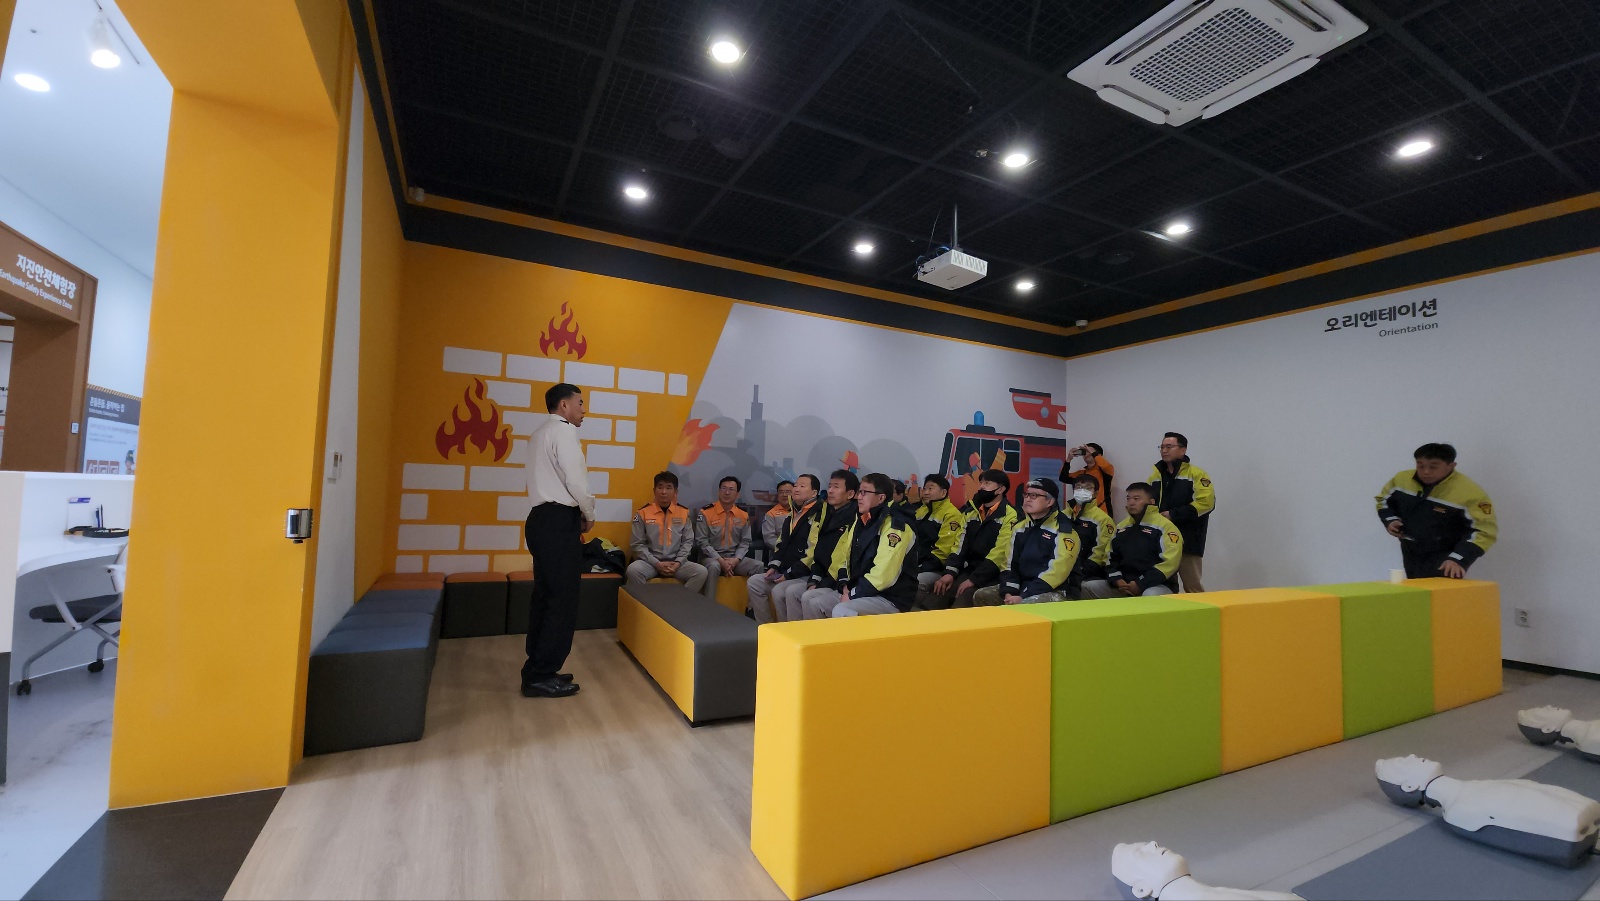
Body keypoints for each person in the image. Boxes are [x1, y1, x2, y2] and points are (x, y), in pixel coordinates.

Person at [519, 383, 595, 699]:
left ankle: (538, 668)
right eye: (580, 403)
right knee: (561, 600)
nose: (584, 410)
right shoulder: (564, 432)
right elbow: (575, 480)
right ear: (564, 406)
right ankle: (540, 674)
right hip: (558, 521)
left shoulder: (539, 433)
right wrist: (588, 512)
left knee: (545, 597)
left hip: (539, 520)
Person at [801, 472, 919, 618]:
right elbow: (845, 556)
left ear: (881, 498)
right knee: (811, 599)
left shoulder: (896, 525)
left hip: (889, 597)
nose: (859, 497)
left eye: (865, 492)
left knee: (843, 610)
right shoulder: (862, 519)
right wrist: (844, 584)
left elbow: (883, 575)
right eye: (859, 492)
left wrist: (853, 594)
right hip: (859, 589)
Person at [1376, 443, 1497, 579]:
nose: (1426, 472)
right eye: (1420, 466)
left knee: (1441, 592)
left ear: (1451, 466)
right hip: (1410, 549)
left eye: (1433, 467)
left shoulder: (1470, 493)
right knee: (1416, 590)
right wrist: (1390, 520)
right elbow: (1383, 500)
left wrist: (1458, 558)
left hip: (1447, 558)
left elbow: (1484, 532)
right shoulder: (1401, 479)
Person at [922, 469, 1018, 609]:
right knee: (939, 593)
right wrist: (950, 572)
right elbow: (959, 545)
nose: (982, 487)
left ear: (1001, 489)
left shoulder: (1010, 515)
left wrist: (974, 580)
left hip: (993, 574)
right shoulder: (971, 511)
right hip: (970, 569)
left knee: (963, 597)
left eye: (987, 483)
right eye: (981, 483)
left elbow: (999, 554)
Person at [974, 478, 1078, 605]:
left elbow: (1057, 572)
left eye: (1034, 496)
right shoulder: (1019, 527)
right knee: (982, 595)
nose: (1028, 499)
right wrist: (1009, 592)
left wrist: (1023, 596)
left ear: (1050, 501)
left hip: (1054, 590)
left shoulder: (1064, 530)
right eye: (1026, 495)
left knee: (1025, 604)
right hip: (1022, 587)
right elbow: (1009, 564)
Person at [1082, 483, 1182, 598]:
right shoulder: (1121, 527)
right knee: (1087, 586)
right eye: (1128, 498)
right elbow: (1110, 558)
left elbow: (1170, 563)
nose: (1131, 502)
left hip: (1156, 585)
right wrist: (1117, 580)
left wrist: (1140, 584)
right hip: (1124, 586)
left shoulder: (1165, 527)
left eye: (1136, 499)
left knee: (1150, 594)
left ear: (1151, 502)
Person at [748, 474, 820, 624]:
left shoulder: (818, 514)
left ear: (814, 493)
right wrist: (774, 566)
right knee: (754, 582)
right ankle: (766, 626)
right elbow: (780, 543)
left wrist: (788, 574)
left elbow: (812, 552)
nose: (796, 489)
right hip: (785, 571)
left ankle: (785, 631)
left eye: (802, 486)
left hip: (804, 573)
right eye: (796, 485)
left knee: (780, 591)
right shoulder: (792, 513)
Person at [792, 470, 861, 620]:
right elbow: (819, 550)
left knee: (809, 598)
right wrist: (814, 579)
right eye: (829, 486)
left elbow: (842, 557)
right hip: (821, 574)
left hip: (839, 580)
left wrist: (822, 582)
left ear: (850, 494)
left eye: (836, 487)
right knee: (791, 592)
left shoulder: (855, 518)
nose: (830, 491)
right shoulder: (826, 513)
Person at [1150, 432, 1214, 592]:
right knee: (1160, 586)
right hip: (1161, 541)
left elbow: (1206, 503)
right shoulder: (1155, 475)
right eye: (1162, 447)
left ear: (1182, 450)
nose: (1164, 450)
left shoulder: (1196, 474)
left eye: (1169, 446)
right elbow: (1147, 502)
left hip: (1188, 539)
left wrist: (1173, 515)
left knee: (1193, 588)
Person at [626, 471, 708, 593]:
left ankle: (680, 601)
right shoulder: (643, 513)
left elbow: (687, 542)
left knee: (701, 572)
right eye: (660, 487)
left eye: (668, 488)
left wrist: (678, 562)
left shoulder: (683, 513)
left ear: (675, 492)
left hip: (676, 563)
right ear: (654, 491)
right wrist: (657, 563)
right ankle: (647, 601)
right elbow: (637, 544)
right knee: (633, 570)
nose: (664, 492)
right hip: (651, 563)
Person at [696, 476, 762, 597]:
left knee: (758, 566)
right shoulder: (706, 512)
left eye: (731, 489)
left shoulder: (742, 515)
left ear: (737, 494)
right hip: (711, 558)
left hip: (733, 558)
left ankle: (751, 605)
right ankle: (709, 604)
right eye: (724, 488)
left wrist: (736, 560)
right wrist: (720, 560)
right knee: (714, 566)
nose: (727, 492)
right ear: (718, 491)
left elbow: (745, 541)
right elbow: (702, 542)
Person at [909, 474, 966, 608]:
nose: (926, 492)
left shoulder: (951, 514)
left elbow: (943, 552)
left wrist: (919, 568)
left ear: (943, 492)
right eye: (925, 488)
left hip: (936, 568)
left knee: (913, 583)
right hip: (914, 564)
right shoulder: (921, 510)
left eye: (931, 488)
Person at [1064, 472, 1116, 599]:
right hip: (1060, 568)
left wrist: (1079, 572)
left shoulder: (1103, 520)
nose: (1082, 491)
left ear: (1096, 493)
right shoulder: (1062, 516)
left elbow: (1100, 553)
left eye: (1088, 488)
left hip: (1087, 572)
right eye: (1078, 487)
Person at [1062, 442, 1114, 515]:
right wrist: (1069, 459)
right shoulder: (1081, 473)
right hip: (1081, 513)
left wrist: (1094, 454)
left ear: (1098, 455)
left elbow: (1106, 466)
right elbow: (1063, 477)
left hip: (1102, 512)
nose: (1086, 454)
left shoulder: (1105, 471)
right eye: (1085, 452)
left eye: (1089, 451)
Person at [760, 480, 794, 557]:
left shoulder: (800, 511)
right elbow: (769, 539)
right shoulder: (771, 514)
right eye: (781, 492)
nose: (784, 495)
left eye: (788, 492)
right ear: (777, 495)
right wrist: (785, 549)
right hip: (780, 554)